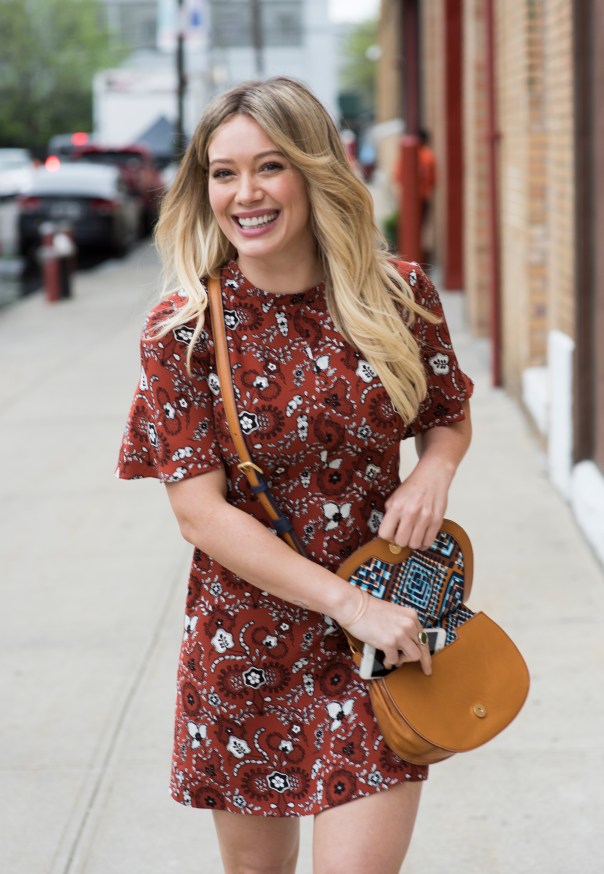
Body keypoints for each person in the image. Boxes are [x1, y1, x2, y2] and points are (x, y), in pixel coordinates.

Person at [116, 77, 473, 874]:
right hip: (246, 649)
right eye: (223, 172)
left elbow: (447, 410)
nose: (245, 194)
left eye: (270, 166)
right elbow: (200, 515)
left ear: (315, 171)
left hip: (380, 639)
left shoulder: (397, 295)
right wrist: (351, 605)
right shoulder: (181, 332)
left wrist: (433, 473)